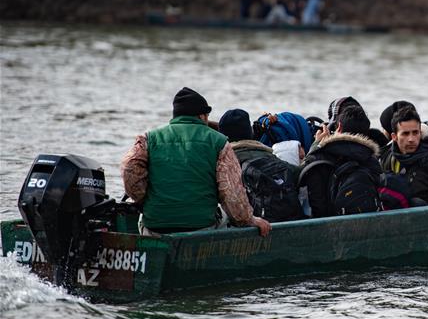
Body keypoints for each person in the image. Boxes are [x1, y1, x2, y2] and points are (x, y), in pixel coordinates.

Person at [121, 87, 271, 237]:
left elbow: (129, 169)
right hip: (201, 227)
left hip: (155, 226)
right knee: (227, 216)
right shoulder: (219, 142)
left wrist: (142, 198)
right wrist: (248, 219)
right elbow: (231, 193)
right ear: (202, 116)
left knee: (142, 217)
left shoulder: (148, 139)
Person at [219, 108, 306, 221]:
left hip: (257, 225)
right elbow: (301, 173)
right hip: (292, 220)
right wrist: (317, 147)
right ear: (250, 133)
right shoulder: (270, 156)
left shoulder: (227, 162)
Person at [300, 104, 382, 218]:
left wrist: (316, 145)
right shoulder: (372, 161)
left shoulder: (318, 159)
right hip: (368, 226)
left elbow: (303, 177)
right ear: (366, 133)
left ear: (338, 127)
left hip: (326, 228)